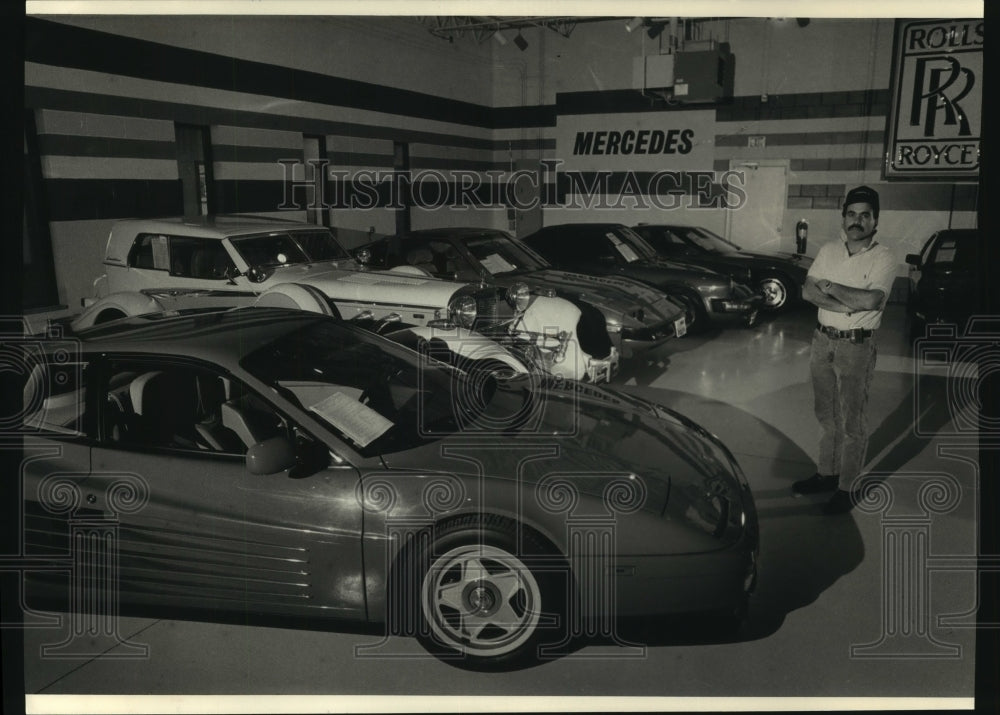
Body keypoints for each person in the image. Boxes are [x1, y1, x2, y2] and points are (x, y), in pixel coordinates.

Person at [792, 186, 897, 514]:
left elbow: (871, 300)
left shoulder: (884, 257)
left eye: (865, 215)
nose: (857, 221)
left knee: (853, 421)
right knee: (826, 414)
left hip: (857, 346)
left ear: (875, 220)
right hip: (822, 341)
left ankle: (847, 487)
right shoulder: (828, 250)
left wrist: (831, 286)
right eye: (851, 214)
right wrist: (847, 303)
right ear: (843, 218)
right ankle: (827, 473)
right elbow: (808, 292)